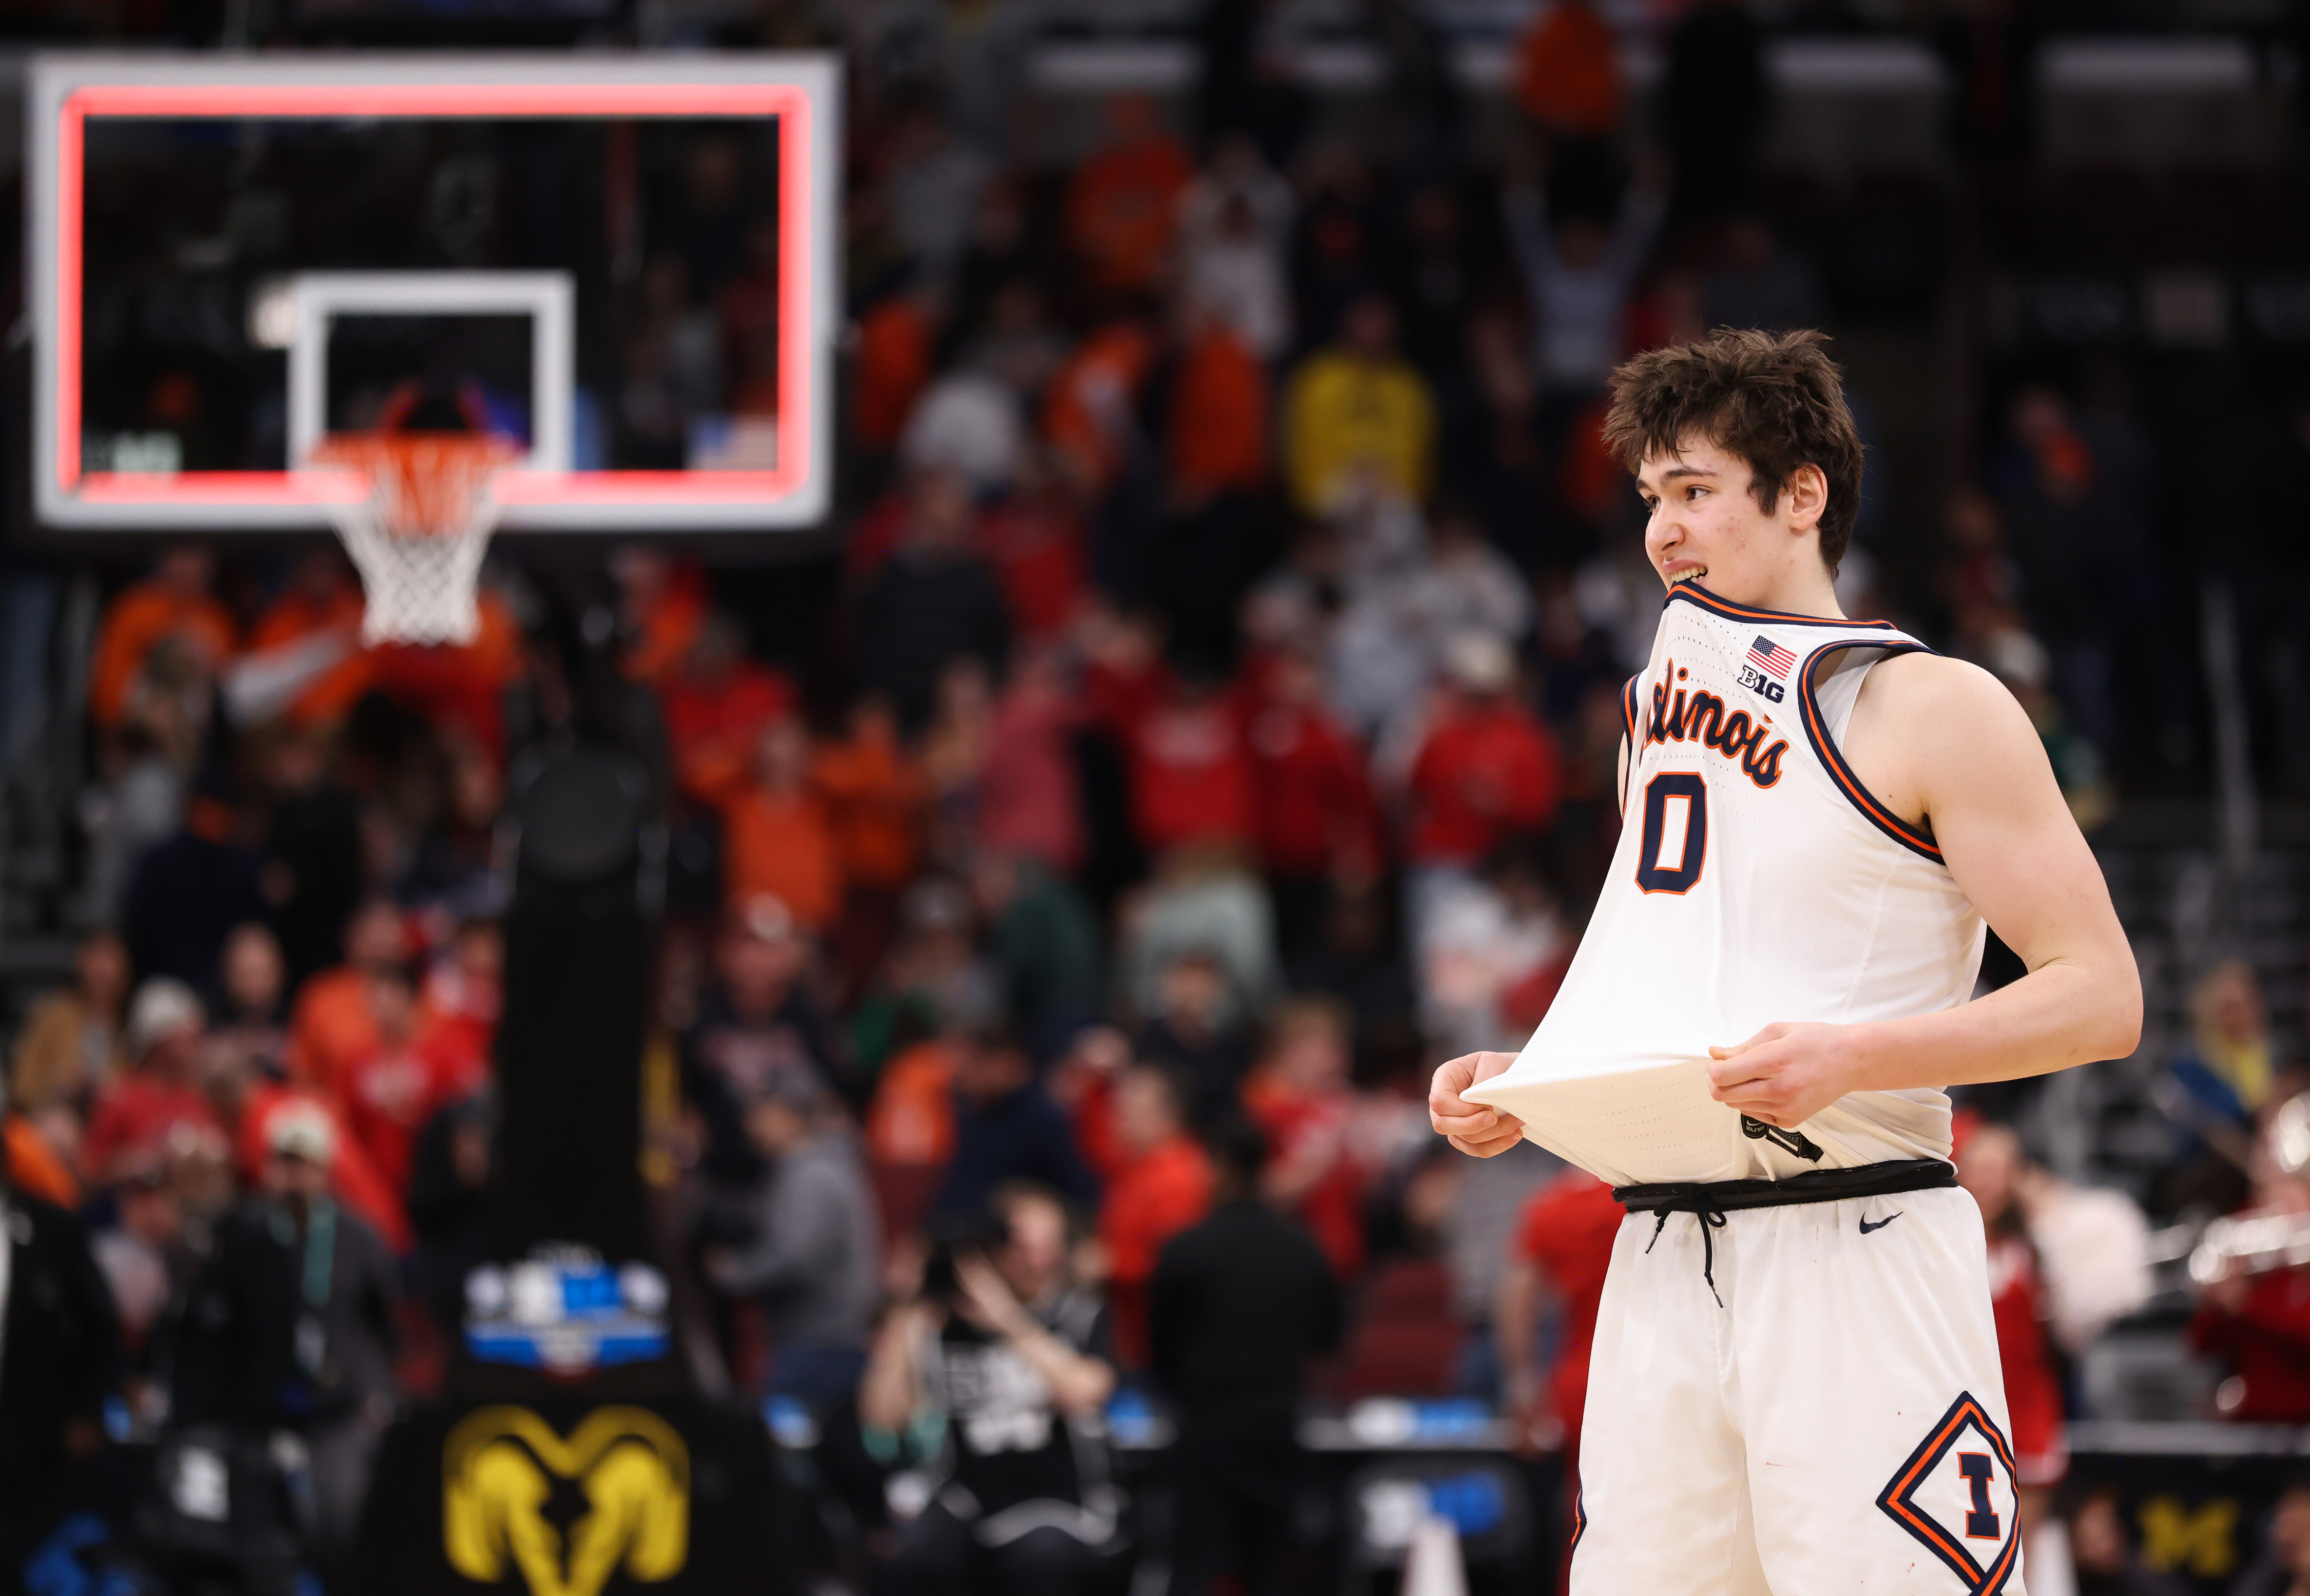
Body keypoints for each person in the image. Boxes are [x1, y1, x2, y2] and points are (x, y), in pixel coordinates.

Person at [1426, 328, 2142, 1593]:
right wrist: (1533, 1076)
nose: (1660, 532)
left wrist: (1860, 1053)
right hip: (1656, 1253)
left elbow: (2099, 997)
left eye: (1693, 490)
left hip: (1855, 1239)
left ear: (1799, 492)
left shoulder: (1931, 704)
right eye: (1649, 497)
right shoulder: (1651, 720)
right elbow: (1688, 998)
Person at [169, 1105, 401, 1572]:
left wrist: (378, 1392)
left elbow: (386, 1324)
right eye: (284, 1162)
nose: (293, 1177)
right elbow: (208, 1326)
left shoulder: (357, 1236)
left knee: (340, 1521)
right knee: (255, 1537)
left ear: (325, 1169)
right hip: (257, 1407)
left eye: (304, 1164)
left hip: (337, 1406)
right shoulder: (240, 1234)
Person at [860, 1183, 1121, 1595]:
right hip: (967, 1497)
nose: (1035, 1259)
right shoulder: (941, 1325)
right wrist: (906, 1305)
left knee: (1038, 1563)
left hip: (1052, 1502)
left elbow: (1085, 1393)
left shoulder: (1077, 1316)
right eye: (1021, 1245)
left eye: (1047, 1245)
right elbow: (882, 1417)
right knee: (911, 1558)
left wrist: (1007, 1320)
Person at [1148, 1119, 1343, 1596]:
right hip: (1278, 1426)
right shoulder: (1303, 1249)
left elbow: (1158, 1346)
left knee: (1197, 1567)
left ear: (1217, 1166)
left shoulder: (1186, 1250)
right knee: (1273, 1567)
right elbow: (1329, 1338)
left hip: (1205, 1430)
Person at [705, 1074, 880, 1413]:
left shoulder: (812, 1173)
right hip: (824, 1338)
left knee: (790, 1446)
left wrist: (731, 1271)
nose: (749, 1123)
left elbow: (796, 1258)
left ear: (788, 1114)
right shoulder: (814, 1165)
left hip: (822, 1343)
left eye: (759, 1111)